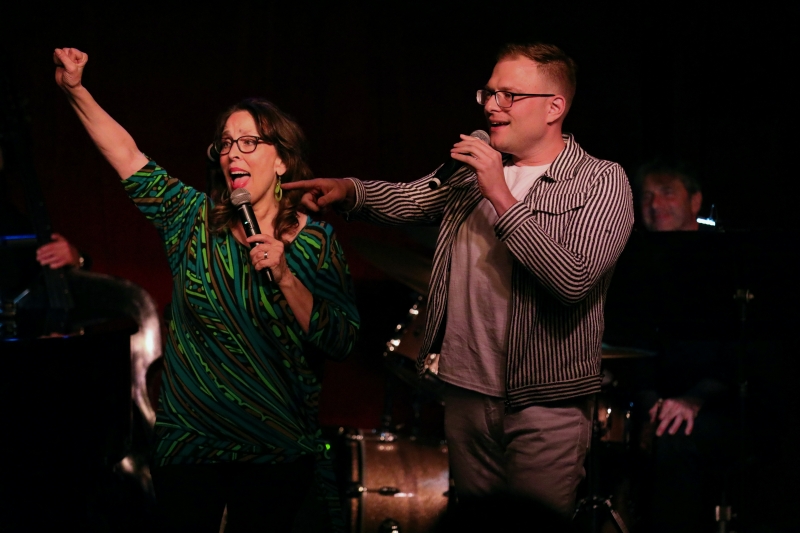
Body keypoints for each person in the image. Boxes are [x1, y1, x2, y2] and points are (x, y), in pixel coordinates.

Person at [284, 42, 634, 526]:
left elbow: (572, 279)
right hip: (467, 392)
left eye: (508, 95)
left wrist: (501, 193)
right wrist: (350, 191)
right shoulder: (475, 170)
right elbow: (414, 200)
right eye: (488, 93)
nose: (492, 106)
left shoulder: (599, 182)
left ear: (555, 107)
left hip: (544, 403)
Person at [53, 47, 360, 532]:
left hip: (274, 447)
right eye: (225, 144)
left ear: (282, 162)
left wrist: (284, 276)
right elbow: (126, 154)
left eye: (248, 142)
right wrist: (75, 90)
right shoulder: (191, 221)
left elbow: (341, 339)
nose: (232, 152)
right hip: (190, 443)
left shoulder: (317, 243)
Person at [630, 161, 736, 533]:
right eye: (646, 196)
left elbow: (743, 353)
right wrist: (648, 403)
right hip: (653, 403)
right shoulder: (634, 265)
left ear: (695, 201)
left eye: (667, 193)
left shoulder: (728, 261)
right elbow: (631, 348)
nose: (655, 204)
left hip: (717, 403)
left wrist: (694, 399)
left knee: (673, 441)